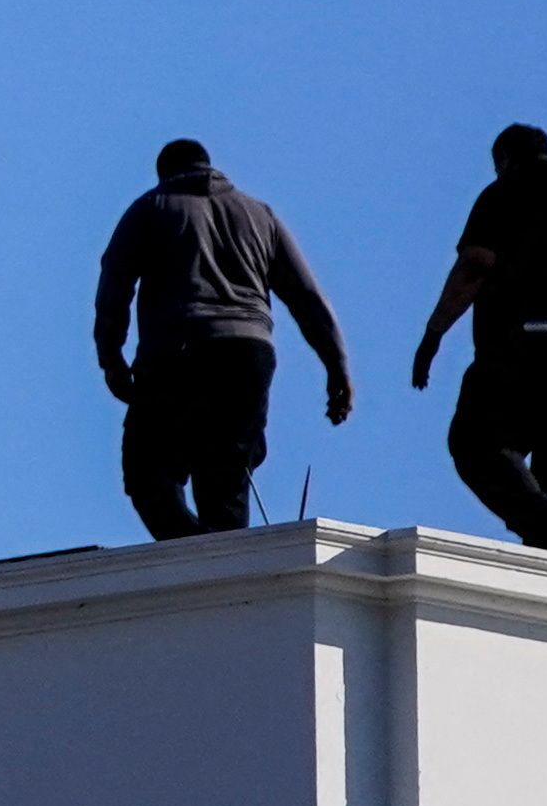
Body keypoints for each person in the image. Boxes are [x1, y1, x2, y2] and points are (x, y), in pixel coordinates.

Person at [95, 140, 354, 539]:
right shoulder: (259, 214)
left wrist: (111, 356)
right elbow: (306, 297)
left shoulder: (151, 208)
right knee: (226, 478)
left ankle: (193, 552)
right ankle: (225, 570)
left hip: (177, 351)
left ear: (164, 172)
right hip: (247, 354)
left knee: (148, 472)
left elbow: (115, 285)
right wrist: (337, 368)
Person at [410, 123, 547, 556]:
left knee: (476, 444)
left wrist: (433, 335)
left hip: (530, 344)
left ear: (504, 160)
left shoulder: (506, 192)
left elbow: (475, 266)